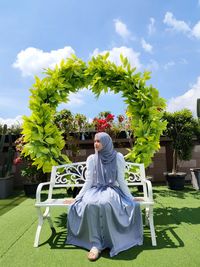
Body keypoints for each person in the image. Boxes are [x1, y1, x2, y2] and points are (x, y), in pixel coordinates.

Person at [65, 132, 143, 261]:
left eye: (99, 141)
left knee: (105, 203)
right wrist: (78, 197)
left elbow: (121, 180)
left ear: (106, 142)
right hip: (95, 190)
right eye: (94, 141)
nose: (96, 144)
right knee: (89, 204)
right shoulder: (92, 159)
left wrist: (130, 197)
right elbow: (89, 181)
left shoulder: (117, 157)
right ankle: (96, 244)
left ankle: (110, 241)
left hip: (112, 189)